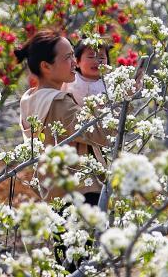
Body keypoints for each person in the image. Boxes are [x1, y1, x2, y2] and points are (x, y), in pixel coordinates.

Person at [15, 29, 109, 208]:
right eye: (67, 57)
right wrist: (125, 99)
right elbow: (102, 135)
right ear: (46, 66)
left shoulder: (30, 98)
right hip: (82, 194)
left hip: (55, 195)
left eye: (73, 56)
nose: (75, 62)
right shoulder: (59, 103)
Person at [62, 41, 109, 106]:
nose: (96, 61)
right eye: (91, 57)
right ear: (77, 62)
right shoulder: (69, 81)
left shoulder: (109, 84)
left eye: (102, 58)